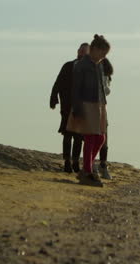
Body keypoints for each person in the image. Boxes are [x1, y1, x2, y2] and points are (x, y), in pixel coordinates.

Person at [67, 34, 111, 186]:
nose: (104, 57)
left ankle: (87, 167)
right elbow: (76, 89)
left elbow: (101, 86)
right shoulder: (82, 65)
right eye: (103, 53)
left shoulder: (98, 64)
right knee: (90, 138)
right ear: (94, 49)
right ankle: (87, 171)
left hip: (99, 104)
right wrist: (77, 109)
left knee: (100, 138)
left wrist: (103, 105)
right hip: (86, 104)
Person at [50, 43, 88, 173]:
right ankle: (67, 162)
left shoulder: (90, 69)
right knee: (67, 134)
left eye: (84, 51)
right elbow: (58, 82)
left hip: (82, 107)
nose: (81, 52)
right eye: (80, 50)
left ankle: (76, 162)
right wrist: (53, 97)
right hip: (67, 105)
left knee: (79, 135)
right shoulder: (68, 66)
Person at [98, 58, 114, 179]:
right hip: (93, 105)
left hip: (102, 106)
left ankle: (103, 164)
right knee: (92, 137)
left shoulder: (105, 71)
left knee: (104, 137)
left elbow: (107, 90)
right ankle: (95, 164)